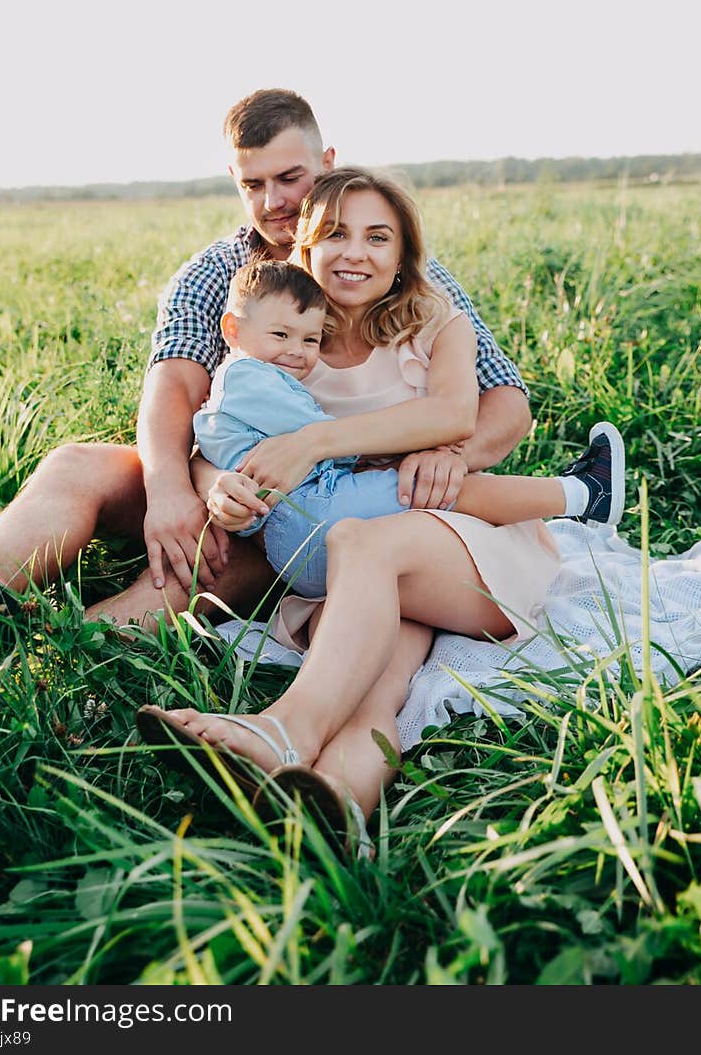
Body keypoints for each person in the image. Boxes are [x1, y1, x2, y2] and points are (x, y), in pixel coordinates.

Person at [136, 167, 626, 849]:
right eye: (335, 234)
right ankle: (336, 803)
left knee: (361, 541)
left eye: (377, 237)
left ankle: (283, 728)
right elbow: (226, 426)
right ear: (301, 246)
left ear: (402, 255)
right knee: (379, 679)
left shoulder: (435, 323)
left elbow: (456, 411)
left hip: (465, 548)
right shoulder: (287, 339)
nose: (355, 253)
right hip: (372, 576)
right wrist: (217, 481)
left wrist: (316, 443)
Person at [0, 89, 532, 626]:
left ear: (327, 162)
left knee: (216, 559)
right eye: (252, 185)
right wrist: (172, 491)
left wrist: (448, 459)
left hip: (333, 497)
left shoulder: (390, 268)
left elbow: (502, 397)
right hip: (228, 467)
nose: (273, 203)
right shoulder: (220, 272)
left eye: (290, 178)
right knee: (79, 465)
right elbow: (175, 389)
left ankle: (74, 646)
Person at [189, 253, 624, 603]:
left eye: (310, 340)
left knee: (435, 498)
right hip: (316, 514)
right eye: (281, 335)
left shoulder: (241, 387)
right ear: (233, 329)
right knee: (444, 490)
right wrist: (392, 452)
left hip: (292, 541)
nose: (297, 352)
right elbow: (326, 438)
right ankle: (583, 494)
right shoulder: (249, 378)